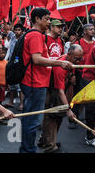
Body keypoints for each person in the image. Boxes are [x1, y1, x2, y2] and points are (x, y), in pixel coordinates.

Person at [19, 8, 73, 153]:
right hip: (34, 83)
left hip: (37, 83)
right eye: (47, 19)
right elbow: (36, 59)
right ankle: (28, 150)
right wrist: (60, 63)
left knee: (32, 120)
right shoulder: (36, 35)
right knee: (32, 121)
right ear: (37, 19)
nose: (49, 22)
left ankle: (27, 148)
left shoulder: (37, 35)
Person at [40, 44, 82, 153]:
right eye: (76, 59)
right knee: (52, 118)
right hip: (53, 92)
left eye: (80, 59)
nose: (78, 61)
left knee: (58, 117)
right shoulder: (60, 68)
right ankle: (49, 146)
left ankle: (47, 140)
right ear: (69, 55)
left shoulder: (70, 62)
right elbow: (60, 91)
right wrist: (68, 110)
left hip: (59, 91)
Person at [37, 19, 65, 148]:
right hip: (46, 80)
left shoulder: (60, 41)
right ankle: (47, 141)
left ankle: (45, 138)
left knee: (54, 112)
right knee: (49, 112)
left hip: (57, 79)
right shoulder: (44, 39)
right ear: (52, 27)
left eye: (62, 27)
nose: (60, 29)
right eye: (58, 27)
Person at [69, 23, 95, 128]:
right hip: (80, 73)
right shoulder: (78, 43)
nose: (93, 31)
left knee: (91, 99)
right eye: (90, 29)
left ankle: (89, 119)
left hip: (92, 75)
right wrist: (72, 75)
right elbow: (71, 60)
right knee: (78, 97)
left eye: (93, 29)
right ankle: (73, 119)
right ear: (84, 31)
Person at [4, 23, 25, 110]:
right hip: (12, 62)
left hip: (19, 63)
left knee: (19, 85)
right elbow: (7, 29)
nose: (17, 31)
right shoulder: (12, 36)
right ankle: (11, 102)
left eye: (19, 30)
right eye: (16, 30)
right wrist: (5, 20)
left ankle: (21, 104)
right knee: (11, 83)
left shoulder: (23, 39)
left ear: (22, 31)